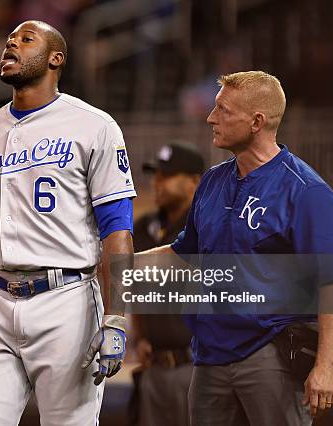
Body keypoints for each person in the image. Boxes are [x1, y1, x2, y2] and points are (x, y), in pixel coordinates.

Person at [0, 20, 136, 425]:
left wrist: (117, 317)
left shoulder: (94, 126)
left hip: (65, 302)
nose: (12, 44)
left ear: (56, 59)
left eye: (26, 39)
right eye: (9, 40)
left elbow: (117, 231)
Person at [142, 71, 333, 425]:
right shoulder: (211, 181)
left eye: (223, 110)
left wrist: (325, 367)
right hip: (208, 357)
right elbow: (181, 254)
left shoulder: (306, 191)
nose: (211, 118)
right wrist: (114, 263)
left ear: (256, 121)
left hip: (271, 355)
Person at [130, 143, 204, 426]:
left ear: (194, 182)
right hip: (155, 368)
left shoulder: (206, 225)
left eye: (167, 176)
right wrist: (139, 337)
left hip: (196, 365)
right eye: (156, 176)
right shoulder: (144, 226)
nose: (157, 183)